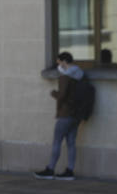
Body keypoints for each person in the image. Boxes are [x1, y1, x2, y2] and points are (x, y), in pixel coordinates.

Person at [34, 51, 84, 180]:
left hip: (65, 113)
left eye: (59, 62)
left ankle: (50, 169)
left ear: (64, 62)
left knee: (57, 141)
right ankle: (70, 171)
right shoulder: (80, 75)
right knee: (71, 143)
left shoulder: (64, 77)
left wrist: (53, 93)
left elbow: (61, 96)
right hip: (76, 114)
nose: (58, 66)